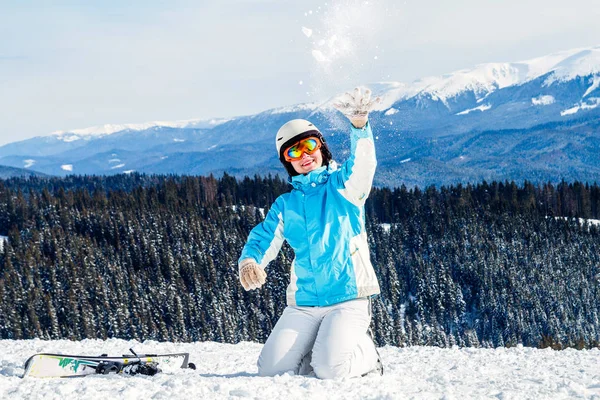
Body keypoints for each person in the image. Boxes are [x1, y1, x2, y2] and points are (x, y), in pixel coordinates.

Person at [238, 87, 382, 379]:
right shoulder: (286, 205)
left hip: (348, 298)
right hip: (304, 303)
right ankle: (319, 349)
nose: (304, 155)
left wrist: (359, 127)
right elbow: (264, 236)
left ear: (322, 148)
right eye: (293, 151)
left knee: (330, 370)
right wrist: (250, 261)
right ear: (287, 162)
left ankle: (368, 353)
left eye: (310, 145)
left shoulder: (344, 187)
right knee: (271, 370)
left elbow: (364, 166)